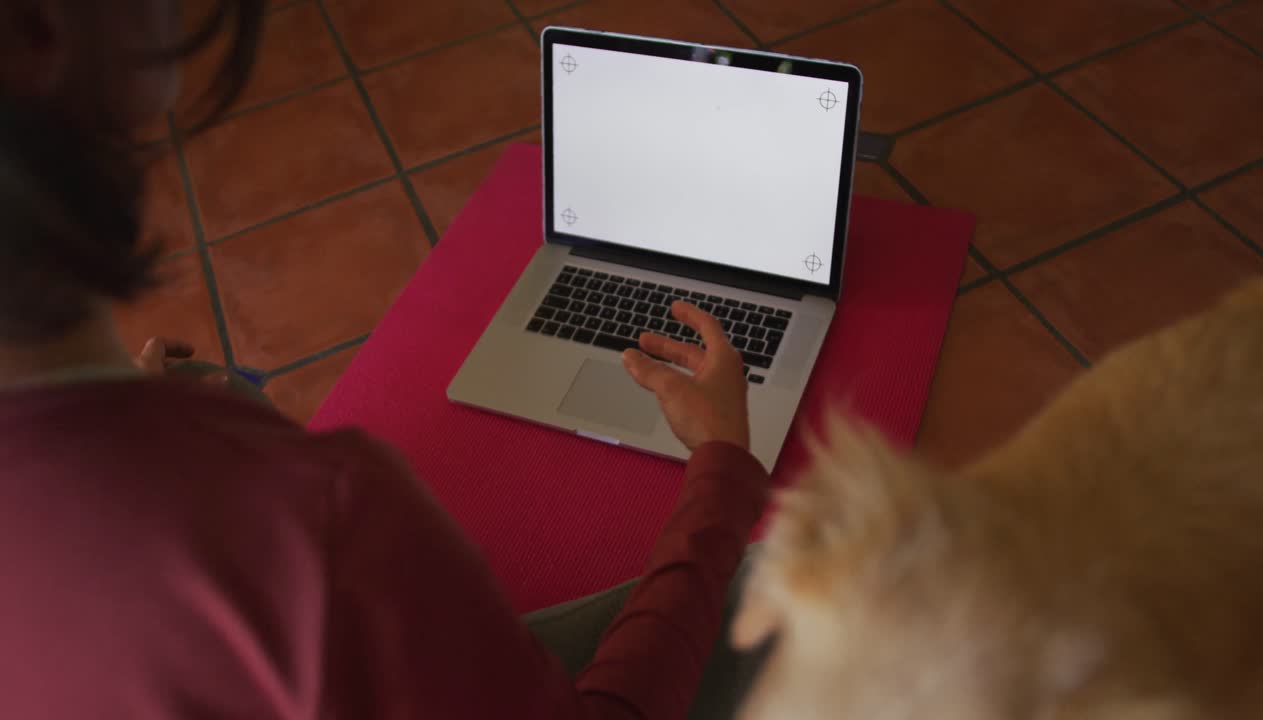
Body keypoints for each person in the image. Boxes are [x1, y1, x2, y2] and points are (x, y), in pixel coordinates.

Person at [0, 1, 770, 718]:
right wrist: (723, 466)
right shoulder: (327, 520)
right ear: (41, 35)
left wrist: (120, 415)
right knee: (799, 575)